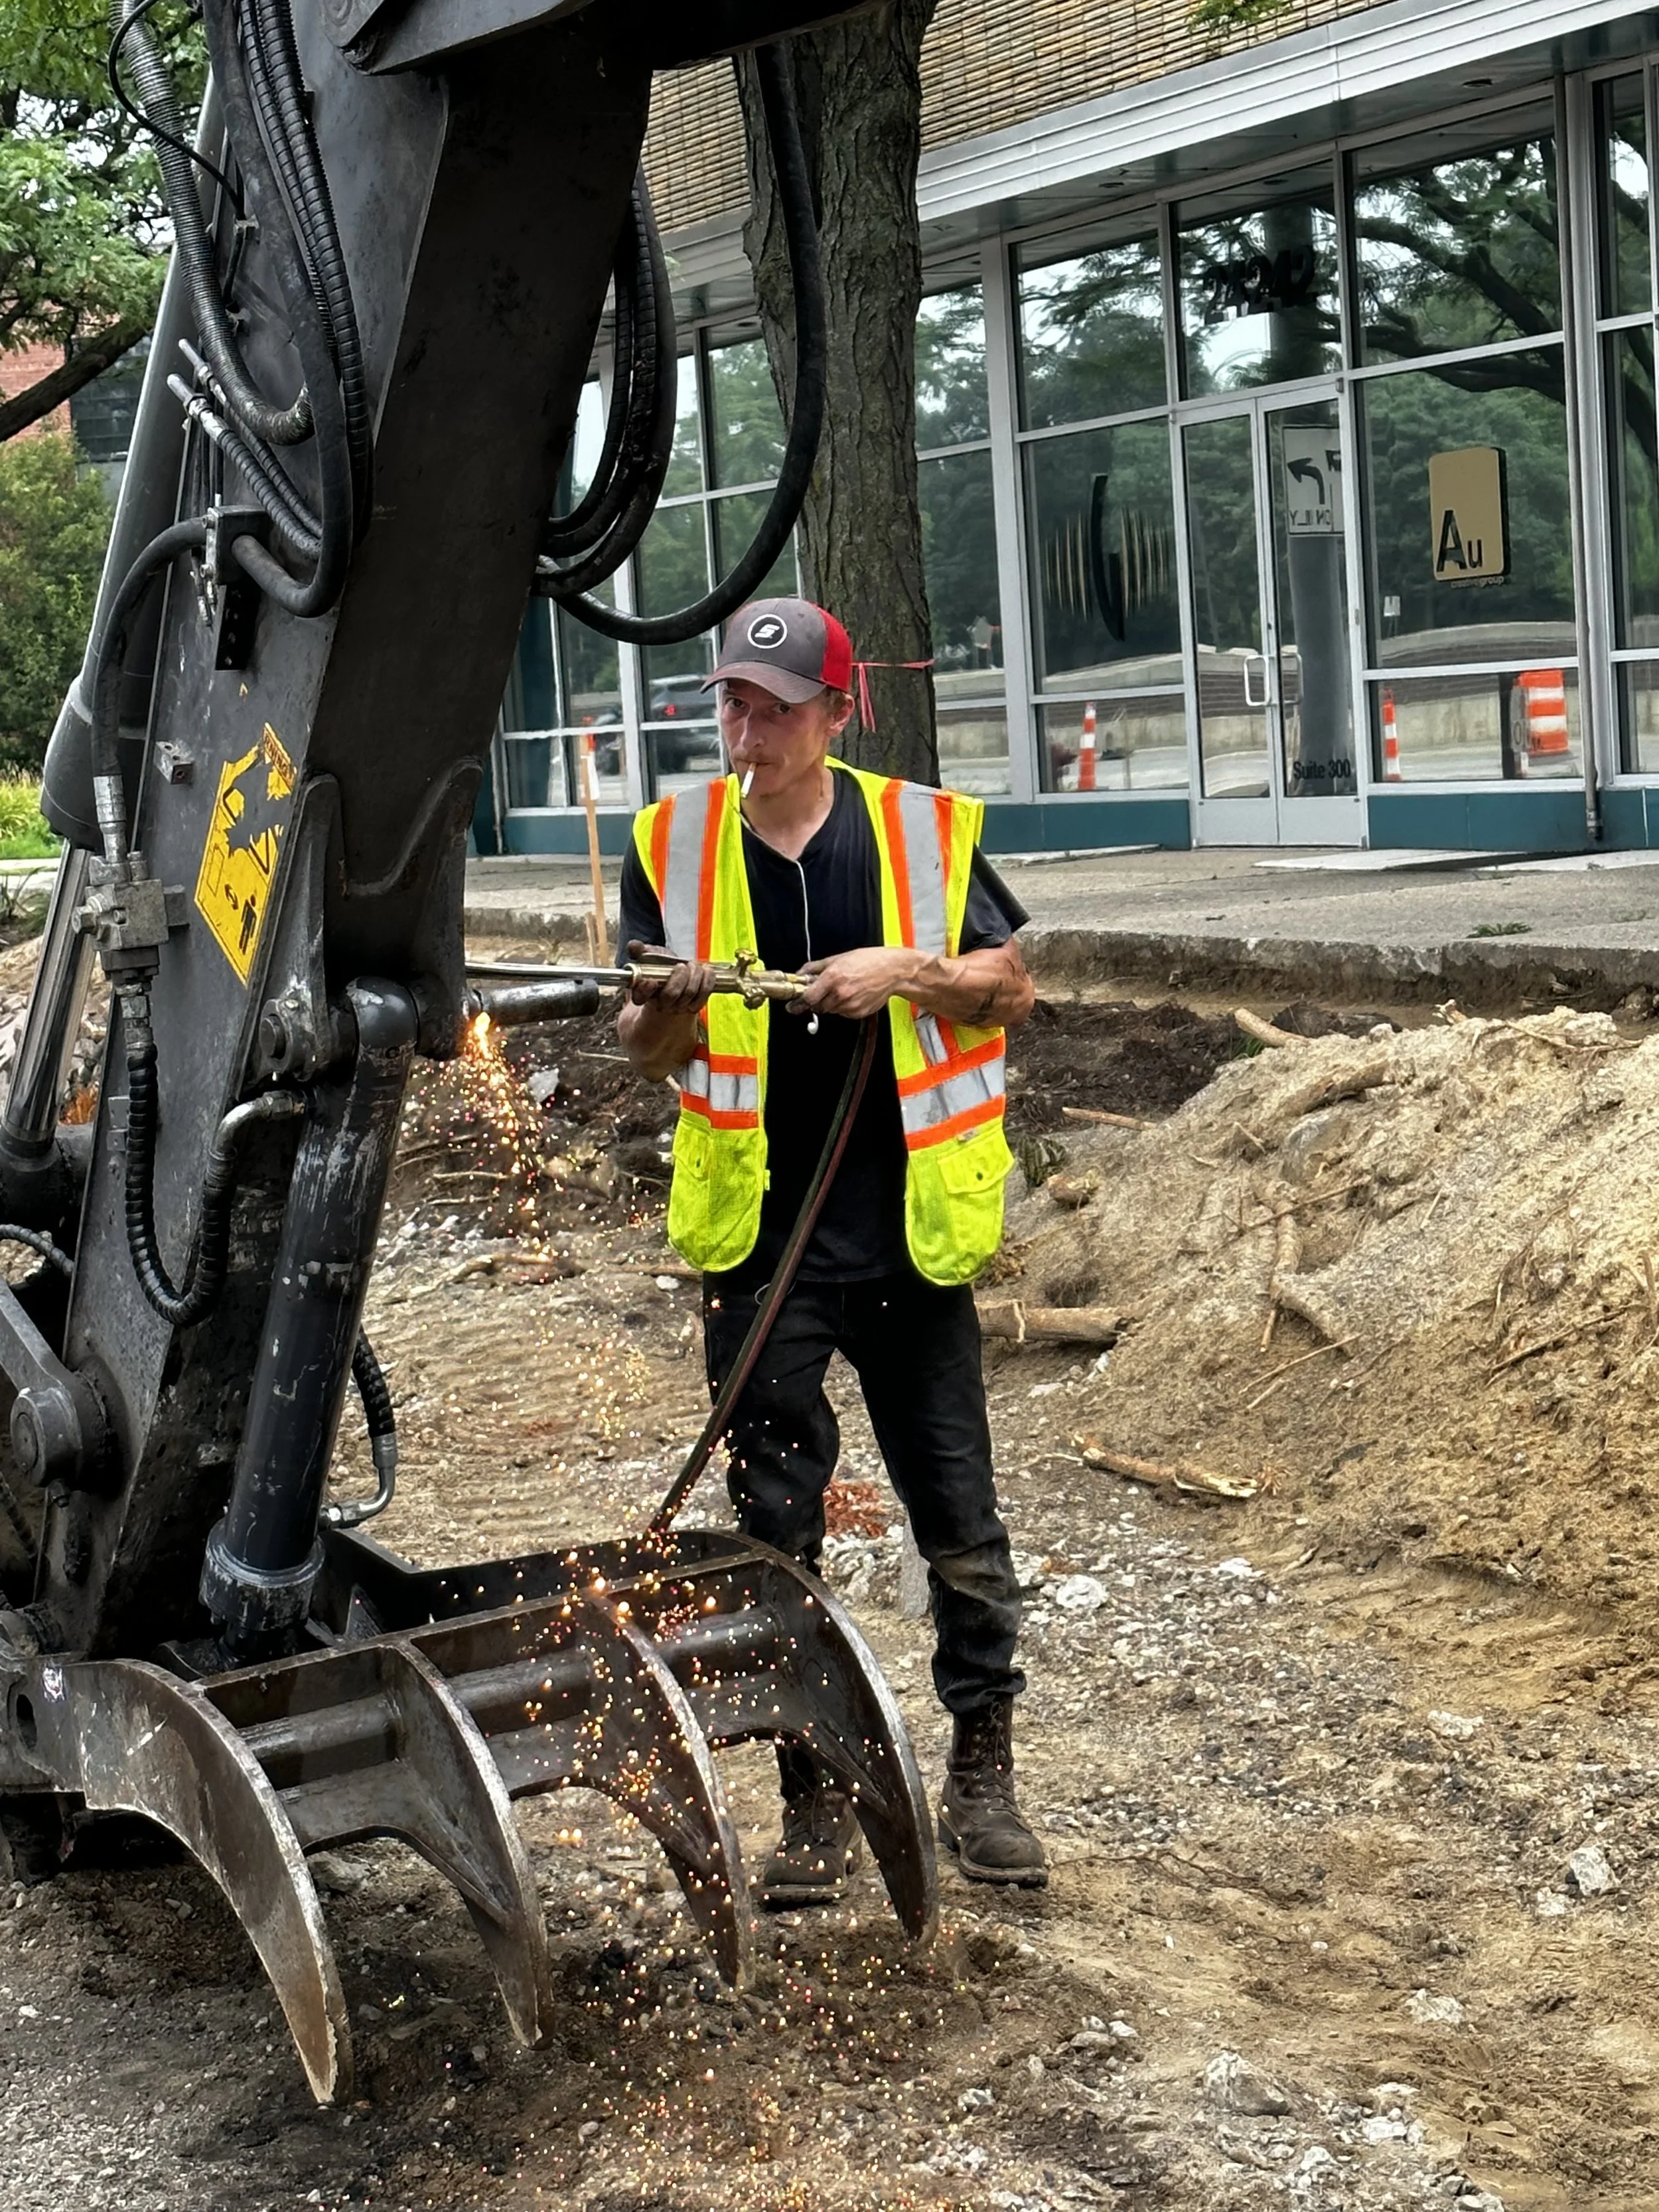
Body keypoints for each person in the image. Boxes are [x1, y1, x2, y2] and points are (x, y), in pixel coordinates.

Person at [617, 596, 1046, 1901]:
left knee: (958, 1523)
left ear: (832, 714)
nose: (742, 727)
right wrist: (669, 1012)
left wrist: (901, 972)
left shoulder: (915, 832)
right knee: (771, 1535)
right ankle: (811, 1795)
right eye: (731, 702)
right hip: (764, 1248)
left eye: (772, 707)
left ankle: (983, 1777)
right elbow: (645, 1052)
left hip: (909, 1240)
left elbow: (1010, 986)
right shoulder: (674, 843)